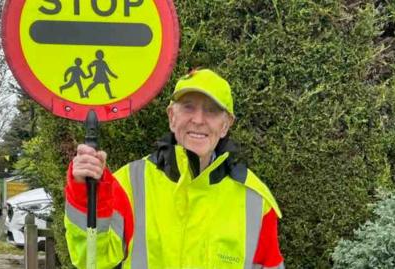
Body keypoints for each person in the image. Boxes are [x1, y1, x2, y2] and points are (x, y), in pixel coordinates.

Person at [64, 69, 284, 269]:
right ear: (171, 116)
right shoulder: (129, 184)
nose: (198, 119)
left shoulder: (256, 200)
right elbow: (92, 261)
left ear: (226, 125)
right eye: (188, 106)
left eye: (212, 110)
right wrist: (86, 192)